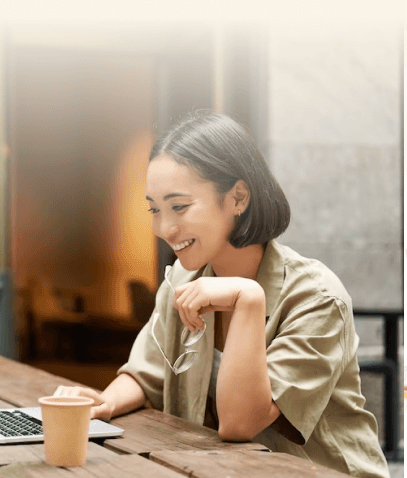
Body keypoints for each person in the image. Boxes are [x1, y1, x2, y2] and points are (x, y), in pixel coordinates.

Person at [53, 111, 389, 478]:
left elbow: (240, 423)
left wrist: (248, 299)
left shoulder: (318, 299)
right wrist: (104, 403)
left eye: (179, 206)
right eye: (155, 209)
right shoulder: (184, 278)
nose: (164, 228)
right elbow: (147, 375)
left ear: (238, 198)